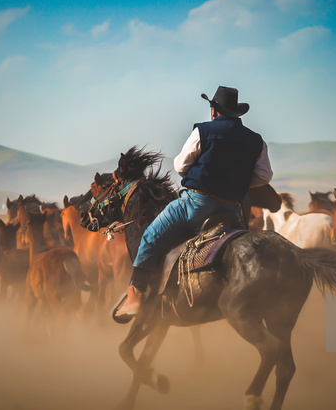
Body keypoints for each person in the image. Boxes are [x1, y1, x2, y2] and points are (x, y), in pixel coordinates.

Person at [115, 86, 273, 319]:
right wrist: (235, 180)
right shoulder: (256, 141)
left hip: (195, 205)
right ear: (236, 113)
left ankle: (135, 298)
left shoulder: (204, 131)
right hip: (231, 211)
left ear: (214, 111)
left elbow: (180, 166)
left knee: (150, 236)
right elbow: (264, 176)